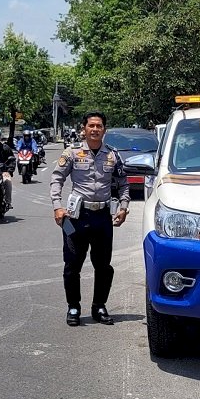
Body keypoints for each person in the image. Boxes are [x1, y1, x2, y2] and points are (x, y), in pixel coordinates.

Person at [50, 111, 130, 326]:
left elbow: (123, 183)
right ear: (84, 129)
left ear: (105, 130)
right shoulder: (73, 153)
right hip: (76, 217)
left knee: (103, 265)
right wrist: (57, 207)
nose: (95, 129)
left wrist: (123, 207)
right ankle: (73, 307)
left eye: (99, 126)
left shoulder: (112, 155)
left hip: (102, 217)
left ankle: (99, 306)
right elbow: (57, 179)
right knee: (72, 265)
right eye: (91, 126)